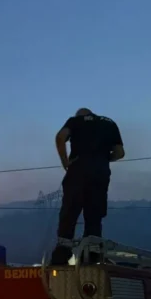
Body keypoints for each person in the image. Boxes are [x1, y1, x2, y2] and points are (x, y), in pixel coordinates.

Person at [51, 108, 125, 265]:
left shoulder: (75, 121)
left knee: (70, 211)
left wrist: (65, 161)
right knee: (94, 214)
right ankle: (92, 253)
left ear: (80, 115)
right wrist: (103, 159)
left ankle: (62, 252)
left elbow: (60, 137)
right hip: (100, 173)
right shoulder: (109, 123)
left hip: (78, 170)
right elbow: (119, 153)